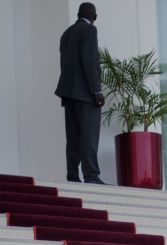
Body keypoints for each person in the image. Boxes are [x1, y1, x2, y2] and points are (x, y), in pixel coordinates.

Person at [55, 2, 106, 184]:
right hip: (86, 94)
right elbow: (89, 61)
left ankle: (72, 176)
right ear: (94, 16)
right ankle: (91, 175)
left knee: (73, 137)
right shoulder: (90, 31)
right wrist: (97, 91)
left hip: (68, 93)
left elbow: (66, 64)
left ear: (78, 14)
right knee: (89, 134)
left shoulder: (66, 34)